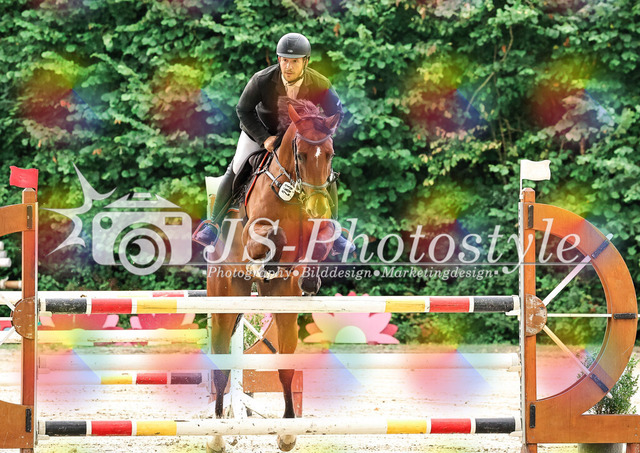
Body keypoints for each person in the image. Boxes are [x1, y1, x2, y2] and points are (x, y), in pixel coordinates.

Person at [193, 32, 354, 255]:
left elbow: (337, 113)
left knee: (325, 171)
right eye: (284, 60)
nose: (288, 66)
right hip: (261, 132)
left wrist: (321, 134)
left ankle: (334, 231)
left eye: (294, 61)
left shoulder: (320, 83)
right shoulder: (262, 80)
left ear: (305, 62)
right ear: (279, 59)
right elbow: (243, 110)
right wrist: (264, 138)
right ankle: (213, 224)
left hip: (300, 137)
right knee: (237, 166)